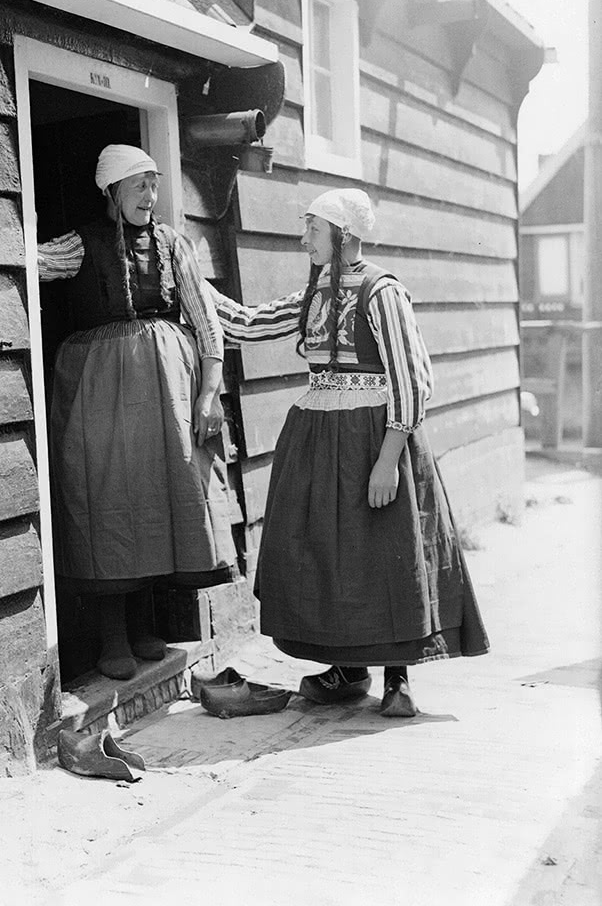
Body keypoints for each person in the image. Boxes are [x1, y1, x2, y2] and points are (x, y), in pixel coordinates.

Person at [208, 188, 489, 716]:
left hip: (374, 438)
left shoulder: (382, 292)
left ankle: (398, 679)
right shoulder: (315, 292)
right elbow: (250, 324)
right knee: (328, 554)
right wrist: (195, 287)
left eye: (312, 230)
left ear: (344, 235)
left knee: (385, 551)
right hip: (319, 440)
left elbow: (411, 379)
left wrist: (388, 459)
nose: (303, 238)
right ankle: (346, 670)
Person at [38, 144, 236, 680]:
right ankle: (112, 638)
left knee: (155, 494)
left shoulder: (174, 245)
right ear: (112, 192)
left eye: (154, 185)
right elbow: (33, 262)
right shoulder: (83, 244)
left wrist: (209, 392)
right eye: (138, 186)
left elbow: (206, 321)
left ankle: (147, 627)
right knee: (108, 500)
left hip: (166, 393)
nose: (150, 197)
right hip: (100, 395)